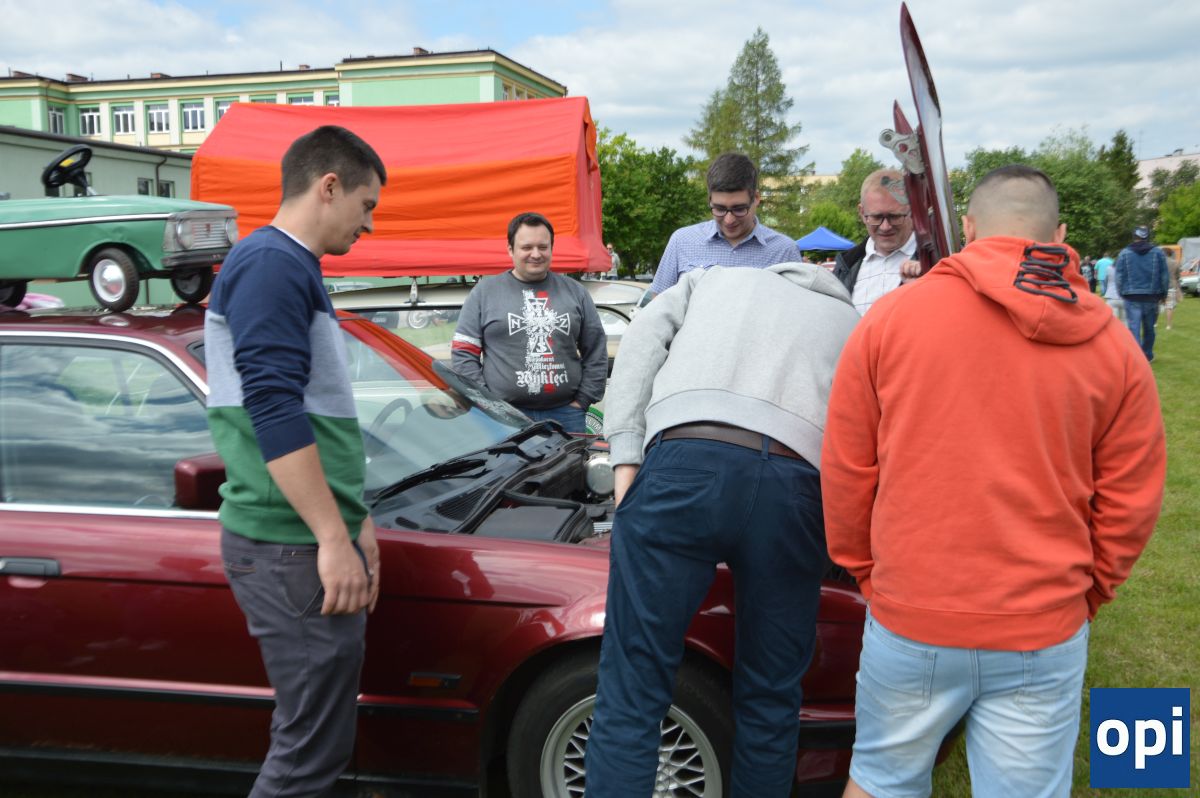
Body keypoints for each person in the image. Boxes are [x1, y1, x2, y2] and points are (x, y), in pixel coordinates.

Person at [822, 165, 1165, 798]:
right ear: (1058, 235)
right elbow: (1132, 496)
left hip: (914, 610)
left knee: (879, 781)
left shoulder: (891, 319)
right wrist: (1088, 592)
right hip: (1041, 619)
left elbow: (847, 466)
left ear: (969, 228)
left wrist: (866, 570)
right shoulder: (1114, 346)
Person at [586, 261, 860, 797]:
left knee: (632, 687)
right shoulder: (850, 320)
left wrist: (626, 459)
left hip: (683, 456)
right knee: (771, 697)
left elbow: (641, 342)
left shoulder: (708, 279)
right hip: (796, 481)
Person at [205, 125, 386, 796]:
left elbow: (310, 407)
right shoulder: (272, 265)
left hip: (301, 537)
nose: (369, 225)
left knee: (317, 746)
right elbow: (274, 408)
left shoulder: (289, 265)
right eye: (366, 205)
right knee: (306, 757)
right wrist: (333, 538)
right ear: (328, 186)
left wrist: (354, 518)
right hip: (290, 544)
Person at [451, 211, 607, 433]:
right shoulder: (484, 293)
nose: (536, 254)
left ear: (551, 248)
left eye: (543, 247)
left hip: (567, 415)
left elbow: (596, 349)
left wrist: (583, 400)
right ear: (510, 249)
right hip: (503, 417)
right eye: (526, 247)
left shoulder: (576, 292)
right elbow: (464, 353)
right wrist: (488, 403)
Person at [649, 152, 798, 294]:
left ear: (756, 198)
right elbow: (660, 304)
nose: (729, 220)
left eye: (739, 209)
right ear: (710, 200)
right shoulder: (682, 241)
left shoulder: (784, 251)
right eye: (720, 209)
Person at [833, 168, 923, 315]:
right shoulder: (845, 265)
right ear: (862, 213)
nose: (885, 227)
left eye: (895, 217)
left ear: (912, 210)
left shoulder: (936, 260)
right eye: (876, 217)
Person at [1116, 225, 1170, 361]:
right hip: (1151, 296)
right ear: (1147, 237)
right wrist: (1164, 294)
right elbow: (1164, 276)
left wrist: (1121, 292)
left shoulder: (1124, 253)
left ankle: (1137, 357)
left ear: (1134, 237)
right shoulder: (1158, 253)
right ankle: (1147, 355)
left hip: (1131, 296)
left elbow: (1119, 276)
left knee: (1134, 327)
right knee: (1149, 328)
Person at [1164, 247, 1182, 329]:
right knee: (1169, 307)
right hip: (1171, 286)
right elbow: (1178, 276)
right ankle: (1168, 325)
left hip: (1160, 286)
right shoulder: (1175, 263)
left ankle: (1155, 323)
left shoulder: (1160, 262)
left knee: (1157, 306)